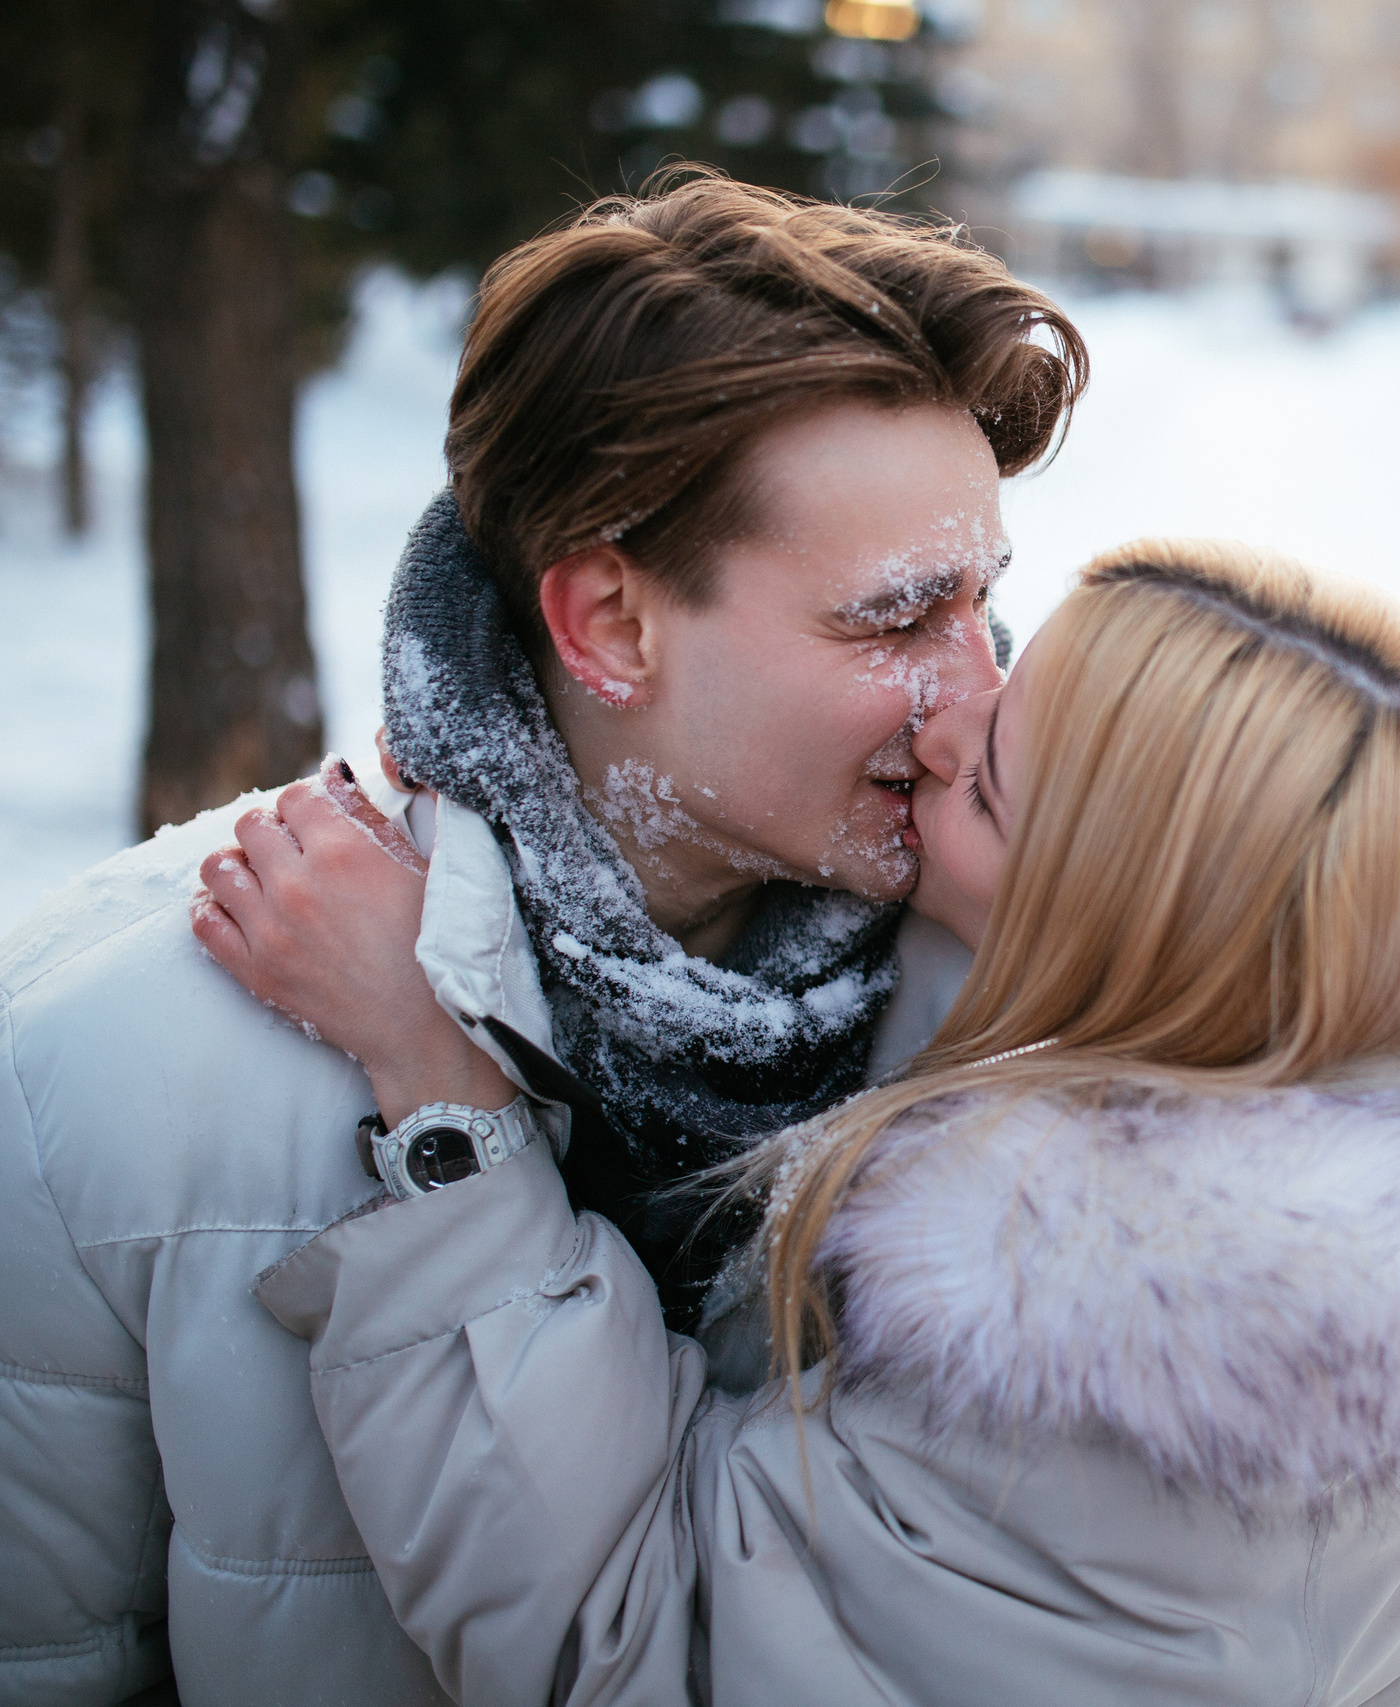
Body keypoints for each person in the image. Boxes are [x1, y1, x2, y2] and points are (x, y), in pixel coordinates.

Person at [207, 540, 1400, 1704]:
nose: (937, 720)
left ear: (1138, 947)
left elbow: (631, 1645)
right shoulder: (1369, 1055)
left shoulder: (1123, 1416)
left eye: (992, 778)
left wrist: (443, 1088)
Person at [0, 172, 1085, 1705]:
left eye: (986, 605)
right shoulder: (97, 1077)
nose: (977, 693)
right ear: (610, 627)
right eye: (896, 622)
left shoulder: (1034, 1033)